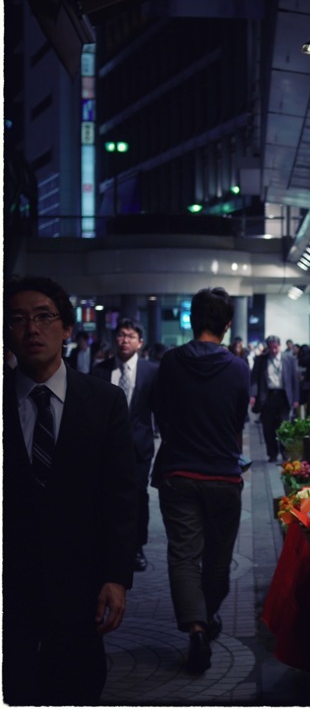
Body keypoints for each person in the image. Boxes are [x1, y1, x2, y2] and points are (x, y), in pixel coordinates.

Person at [3, 275, 137, 704]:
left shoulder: (103, 401)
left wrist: (117, 577)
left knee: (79, 683)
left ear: (66, 329)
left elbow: (121, 495)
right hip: (11, 583)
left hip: (81, 579)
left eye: (44, 317)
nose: (32, 329)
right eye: (19, 319)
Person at [151, 287, 250, 674]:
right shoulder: (239, 368)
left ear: (192, 320)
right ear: (227, 326)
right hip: (224, 476)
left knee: (183, 555)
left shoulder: (171, 363)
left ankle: (196, 627)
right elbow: (239, 417)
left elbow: (160, 411)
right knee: (218, 560)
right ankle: (205, 618)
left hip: (178, 472)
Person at [93, 318, 160, 572]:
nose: (125, 340)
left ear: (140, 343)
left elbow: (158, 408)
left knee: (138, 498)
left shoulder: (151, 370)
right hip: (105, 447)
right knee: (106, 495)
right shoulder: (100, 370)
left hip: (139, 447)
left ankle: (136, 547)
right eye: (121, 335)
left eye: (130, 336)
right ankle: (108, 544)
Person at [250, 334, 301, 462]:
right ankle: (272, 453)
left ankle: (284, 452)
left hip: (283, 396)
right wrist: (253, 395)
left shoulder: (289, 359)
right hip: (267, 396)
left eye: (275, 347)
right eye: (271, 348)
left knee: (284, 426)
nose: (273, 350)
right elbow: (254, 378)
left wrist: (296, 399)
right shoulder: (261, 359)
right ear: (267, 347)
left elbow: (295, 380)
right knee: (268, 426)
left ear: (279, 346)